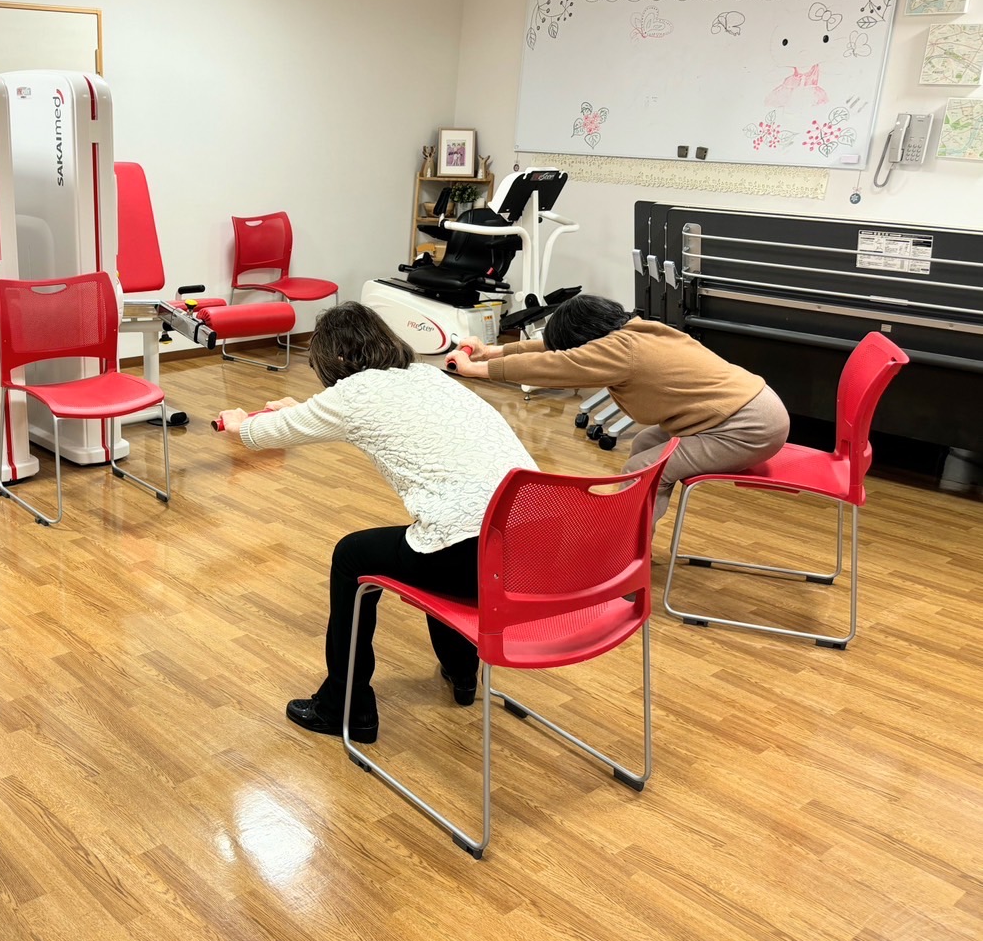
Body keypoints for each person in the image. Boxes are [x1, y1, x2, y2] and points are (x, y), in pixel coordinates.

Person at [218, 302, 536, 745]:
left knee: (356, 555)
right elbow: (343, 415)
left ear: (332, 358)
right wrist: (299, 410)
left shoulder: (354, 395)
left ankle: (344, 705)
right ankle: (463, 672)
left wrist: (239, 424)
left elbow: (260, 435)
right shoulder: (428, 376)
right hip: (533, 544)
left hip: (471, 555)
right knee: (441, 534)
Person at [449, 294, 789, 521]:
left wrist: (476, 369)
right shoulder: (637, 331)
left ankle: (623, 556)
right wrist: (491, 351)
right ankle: (627, 530)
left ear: (589, 342)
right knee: (645, 443)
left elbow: (553, 364)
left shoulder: (618, 352)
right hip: (747, 410)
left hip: (745, 428)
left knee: (646, 468)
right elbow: (552, 350)